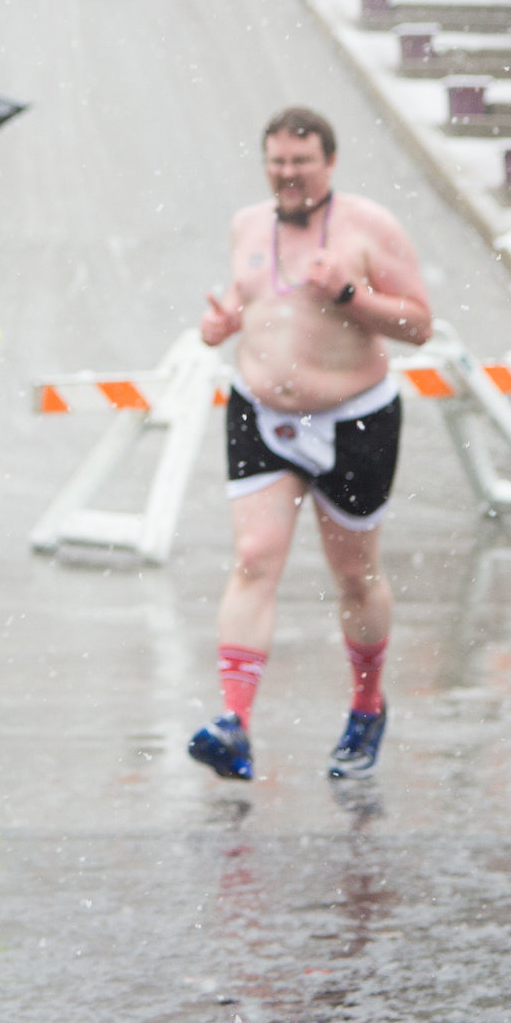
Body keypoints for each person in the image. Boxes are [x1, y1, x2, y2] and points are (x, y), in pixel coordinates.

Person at [192, 108, 431, 782]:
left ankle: (366, 705)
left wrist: (351, 293)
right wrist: (222, 325)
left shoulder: (369, 226)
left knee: (354, 576)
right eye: (276, 162)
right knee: (253, 558)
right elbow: (254, 303)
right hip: (263, 413)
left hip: (354, 416)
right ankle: (234, 723)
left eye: (300, 162)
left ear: (329, 161)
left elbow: (419, 323)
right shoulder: (247, 224)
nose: (287, 174)